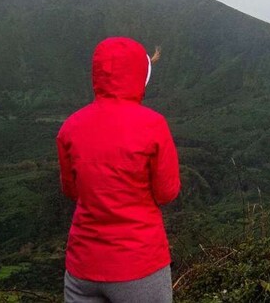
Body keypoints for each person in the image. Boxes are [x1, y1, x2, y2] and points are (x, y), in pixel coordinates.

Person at [56, 37, 180, 302]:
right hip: (139, 264)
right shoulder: (153, 125)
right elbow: (166, 192)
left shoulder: (70, 126)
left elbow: (71, 191)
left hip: (83, 266)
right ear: (139, 76)